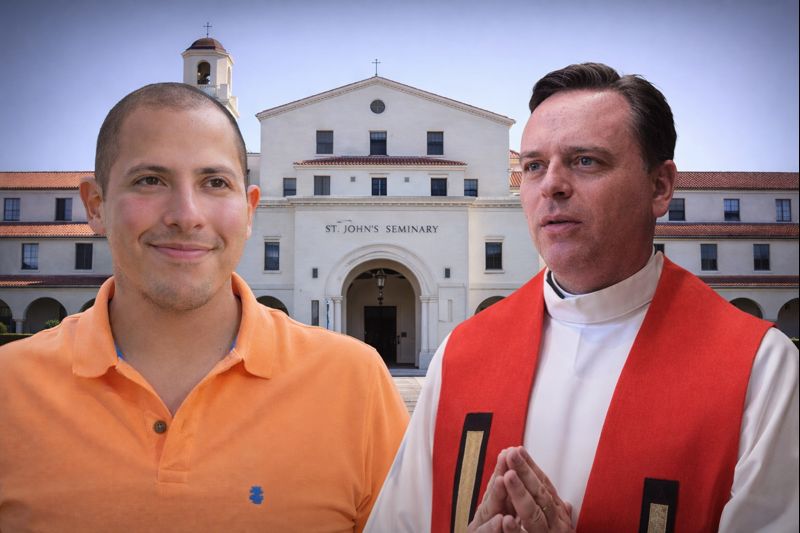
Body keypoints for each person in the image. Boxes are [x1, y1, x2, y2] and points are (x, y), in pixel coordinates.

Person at [365, 63, 798, 533]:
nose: (551, 185)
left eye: (585, 161)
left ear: (660, 187)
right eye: (534, 166)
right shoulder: (461, 354)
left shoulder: (759, 369)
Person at [0, 83, 409, 531]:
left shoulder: (355, 382)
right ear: (96, 206)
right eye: (150, 180)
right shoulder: (10, 387)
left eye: (215, 182)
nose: (187, 214)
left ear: (250, 210)